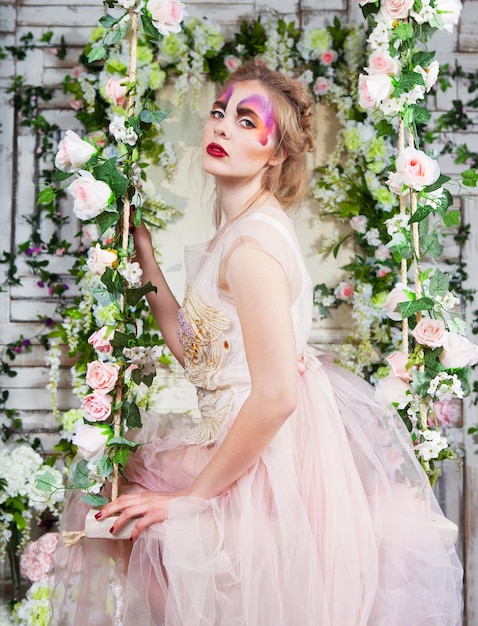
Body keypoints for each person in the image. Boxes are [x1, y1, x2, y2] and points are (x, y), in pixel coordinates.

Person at [52, 63, 463, 625]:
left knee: (142, 513)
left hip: (263, 458)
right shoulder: (238, 232)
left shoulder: (252, 249)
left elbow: (275, 397)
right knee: (130, 516)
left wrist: (189, 499)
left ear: (275, 155)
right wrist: (143, 256)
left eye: (247, 122)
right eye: (220, 113)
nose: (222, 128)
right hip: (232, 430)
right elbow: (198, 352)